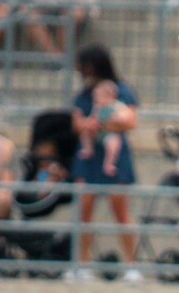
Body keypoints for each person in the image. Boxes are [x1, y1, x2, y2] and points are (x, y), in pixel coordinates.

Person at [70, 44, 141, 280]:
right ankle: (83, 264)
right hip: (90, 157)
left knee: (121, 212)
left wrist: (103, 124)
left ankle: (132, 265)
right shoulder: (84, 93)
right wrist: (90, 125)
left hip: (114, 157)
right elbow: (77, 122)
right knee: (85, 211)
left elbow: (130, 120)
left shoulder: (120, 89)